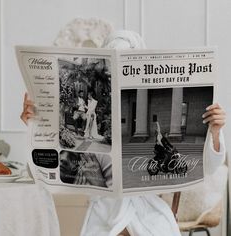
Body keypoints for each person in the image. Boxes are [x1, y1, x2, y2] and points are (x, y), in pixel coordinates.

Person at [20, 30, 226, 236]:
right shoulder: (93, 111)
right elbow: (41, 172)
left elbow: (210, 165)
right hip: (104, 212)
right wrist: (36, 126)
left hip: (149, 213)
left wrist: (215, 133)